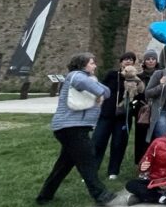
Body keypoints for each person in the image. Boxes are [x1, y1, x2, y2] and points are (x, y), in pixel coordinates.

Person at [36, 53, 116, 206]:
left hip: (73, 128)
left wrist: (98, 89)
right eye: (92, 63)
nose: (95, 66)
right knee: (87, 160)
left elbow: (107, 92)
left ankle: (44, 196)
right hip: (70, 127)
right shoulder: (75, 76)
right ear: (83, 65)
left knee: (64, 164)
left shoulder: (88, 79)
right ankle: (100, 194)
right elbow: (101, 91)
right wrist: (98, 90)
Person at [93, 51, 136, 180]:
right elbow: (100, 88)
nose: (128, 61)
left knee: (119, 143)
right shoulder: (112, 75)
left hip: (123, 116)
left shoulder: (135, 78)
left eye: (131, 59)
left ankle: (113, 171)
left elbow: (139, 92)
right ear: (121, 62)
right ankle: (92, 169)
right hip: (107, 113)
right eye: (125, 59)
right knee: (98, 141)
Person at [134, 50, 160, 164]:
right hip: (142, 109)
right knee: (141, 137)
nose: (151, 61)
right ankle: (141, 163)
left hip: (156, 109)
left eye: (153, 59)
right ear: (145, 61)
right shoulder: (138, 77)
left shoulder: (161, 75)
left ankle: (154, 162)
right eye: (148, 59)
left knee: (155, 136)